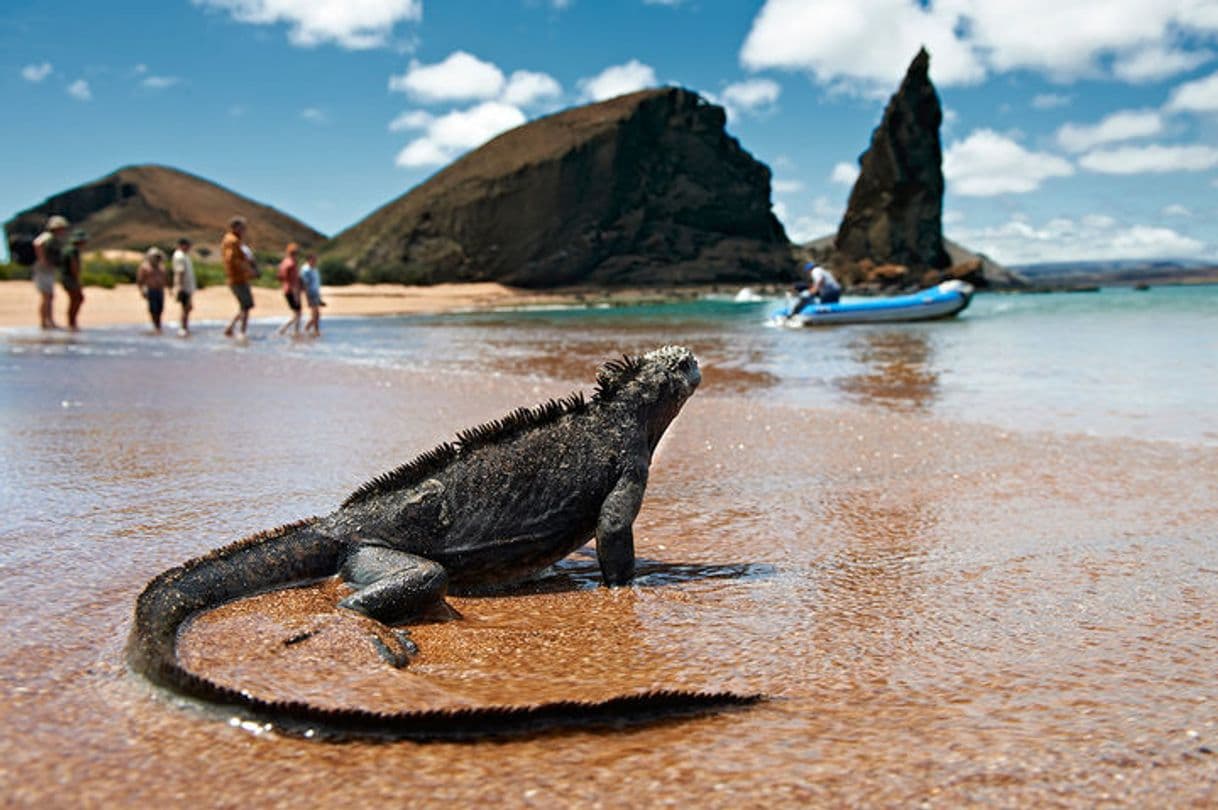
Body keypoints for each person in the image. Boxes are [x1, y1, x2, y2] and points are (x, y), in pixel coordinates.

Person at [32, 214, 69, 329]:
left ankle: (49, 321)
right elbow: (37, 244)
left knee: (49, 296)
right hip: (43, 270)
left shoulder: (53, 238)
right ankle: (45, 322)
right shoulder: (47, 236)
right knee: (46, 296)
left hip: (48, 270)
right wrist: (43, 260)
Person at [222, 216, 255, 338]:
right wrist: (248, 269)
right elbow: (232, 259)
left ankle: (231, 328)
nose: (245, 230)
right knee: (246, 305)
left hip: (237, 278)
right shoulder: (232, 241)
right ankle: (242, 332)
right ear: (235, 227)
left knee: (245, 306)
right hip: (238, 278)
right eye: (243, 228)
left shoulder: (232, 240)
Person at [60, 229, 88, 331]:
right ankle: (72, 322)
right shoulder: (73, 250)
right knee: (77, 298)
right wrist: (77, 280)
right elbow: (74, 265)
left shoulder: (68, 249)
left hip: (66, 278)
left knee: (76, 299)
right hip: (70, 278)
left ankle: (72, 322)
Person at [136, 247, 169, 333]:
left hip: (160, 290)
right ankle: (156, 326)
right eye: (154, 256)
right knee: (153, 309)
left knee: (160, 308)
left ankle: (159, 325)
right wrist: (141, 290)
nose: (156, 258)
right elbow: (140, 280)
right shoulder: (145, 267)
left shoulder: (161, 266)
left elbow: (165, 278)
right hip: (151, 290)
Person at [275, 242, 303, 336]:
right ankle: (286, 330)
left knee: (297, 313)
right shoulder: (292, 264)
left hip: (287, 289)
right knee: (298, 313)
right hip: (292, 290)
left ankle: (291, 331)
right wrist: (296, 294)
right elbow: (293, 280)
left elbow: (280, 276)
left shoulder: (284, 262)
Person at [171, 237, 196, 336]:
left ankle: (185, 327)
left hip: (187, 286)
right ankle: (183, 328)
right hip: (184, 286)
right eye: (188, 245)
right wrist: (179, 286)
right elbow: (179, 272)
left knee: (188, 307)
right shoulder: (179, 256)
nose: (189, 247)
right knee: (185, 307)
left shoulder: (184, 256)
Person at [299, 252, 323, 336]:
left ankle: (307, 329)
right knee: (315, 314)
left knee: (317, 315)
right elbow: (305, 284)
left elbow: (316, 283)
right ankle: (315, 331)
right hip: (311, 293)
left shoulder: (314, 269)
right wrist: (307, 297)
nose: (315, 261)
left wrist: (319, 297)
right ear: (309, 260)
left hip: (316, 293)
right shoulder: (306, 270)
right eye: (314, 260)